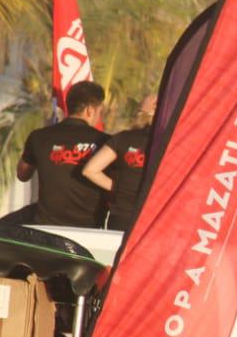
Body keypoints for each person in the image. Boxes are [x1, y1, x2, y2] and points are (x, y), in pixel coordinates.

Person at [17, 81, 109, 227]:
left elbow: (22, 174)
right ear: (90, 110)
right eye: (100, 111)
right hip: (88, 232)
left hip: (45, 229)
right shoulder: (106, 143)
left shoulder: (39, 136)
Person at [83, 93, 157, 232]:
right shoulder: (173, 143)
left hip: (122, 218)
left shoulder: (123, 139)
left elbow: (90, 170)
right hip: (157, 217)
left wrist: (118, 188)